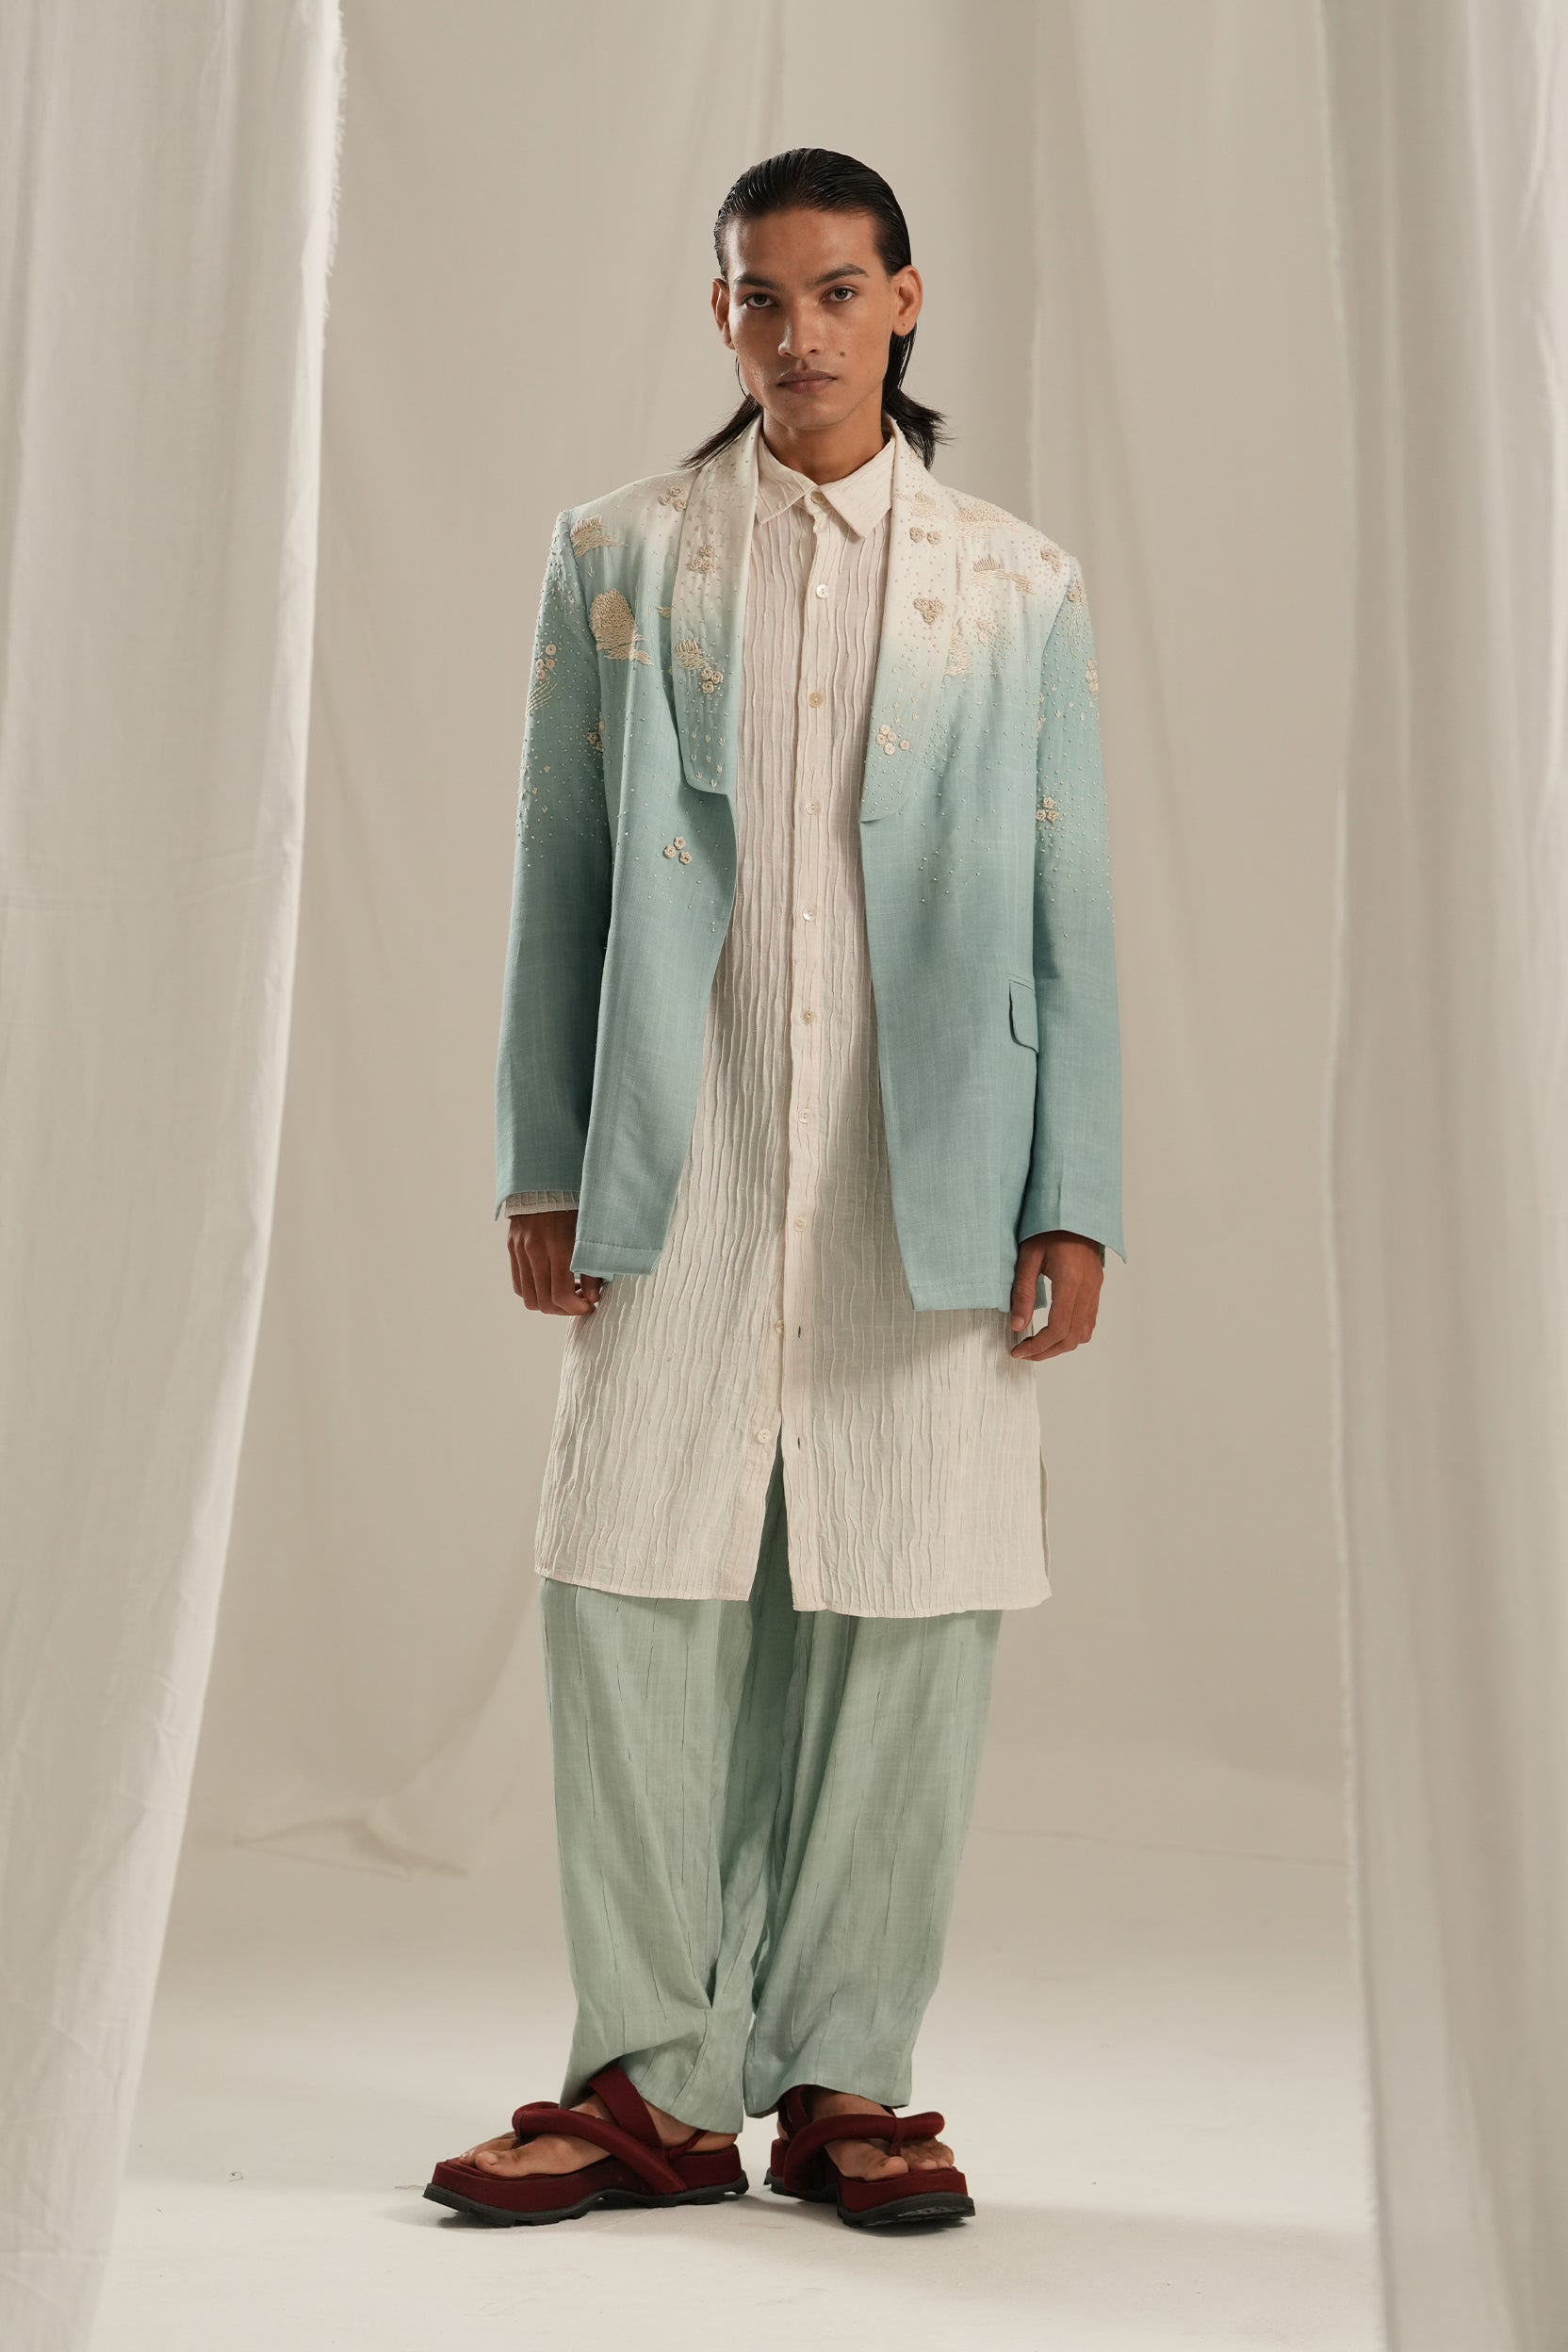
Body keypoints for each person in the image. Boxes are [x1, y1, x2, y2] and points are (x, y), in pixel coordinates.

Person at [426, 146, 1122, 2232]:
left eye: (834, 291)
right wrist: (541, 1154)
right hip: (689, 1147)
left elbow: (1067, 899)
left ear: (905, 300)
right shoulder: (624, 556)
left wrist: (1073, 1189)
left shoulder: (1015, 582)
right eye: (758, 295)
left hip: (933, 1164)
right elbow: (559, 875)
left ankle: (846, 2076)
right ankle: (651, 2083)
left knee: (908, 1596)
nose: (796, 332)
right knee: (630, 1584)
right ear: (718, 315)